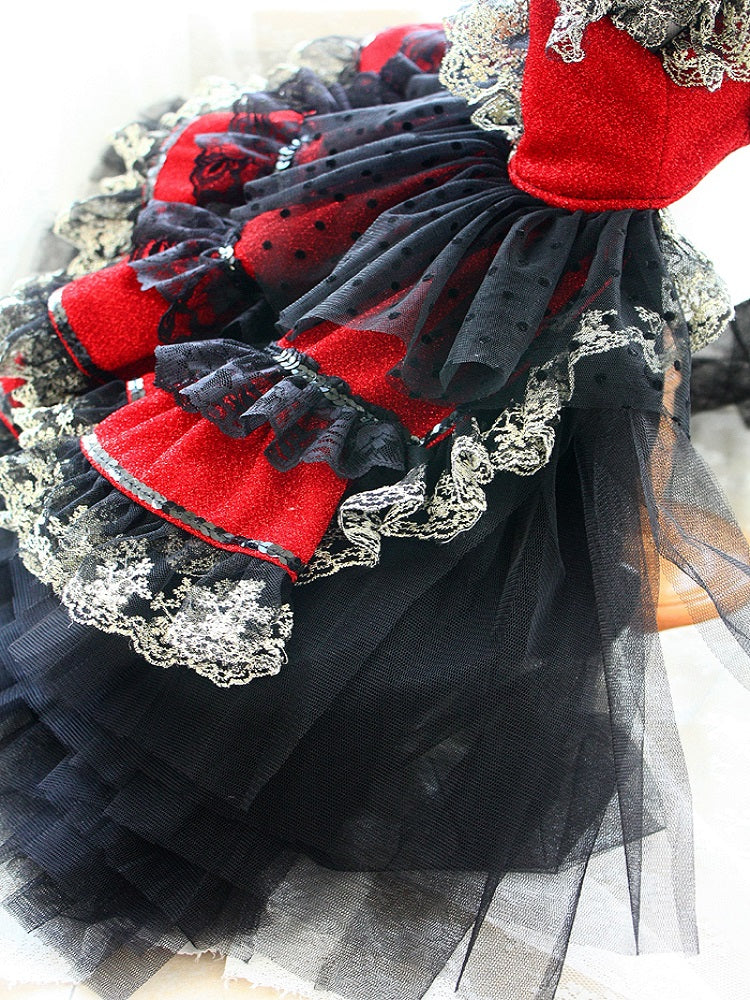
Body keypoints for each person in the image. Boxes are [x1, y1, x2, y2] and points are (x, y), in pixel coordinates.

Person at [0, 2, 749, 998]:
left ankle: (309, 739)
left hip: (542, 238)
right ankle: (222, 754)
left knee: (438, 523)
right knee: (322, 453)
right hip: (481, 220)